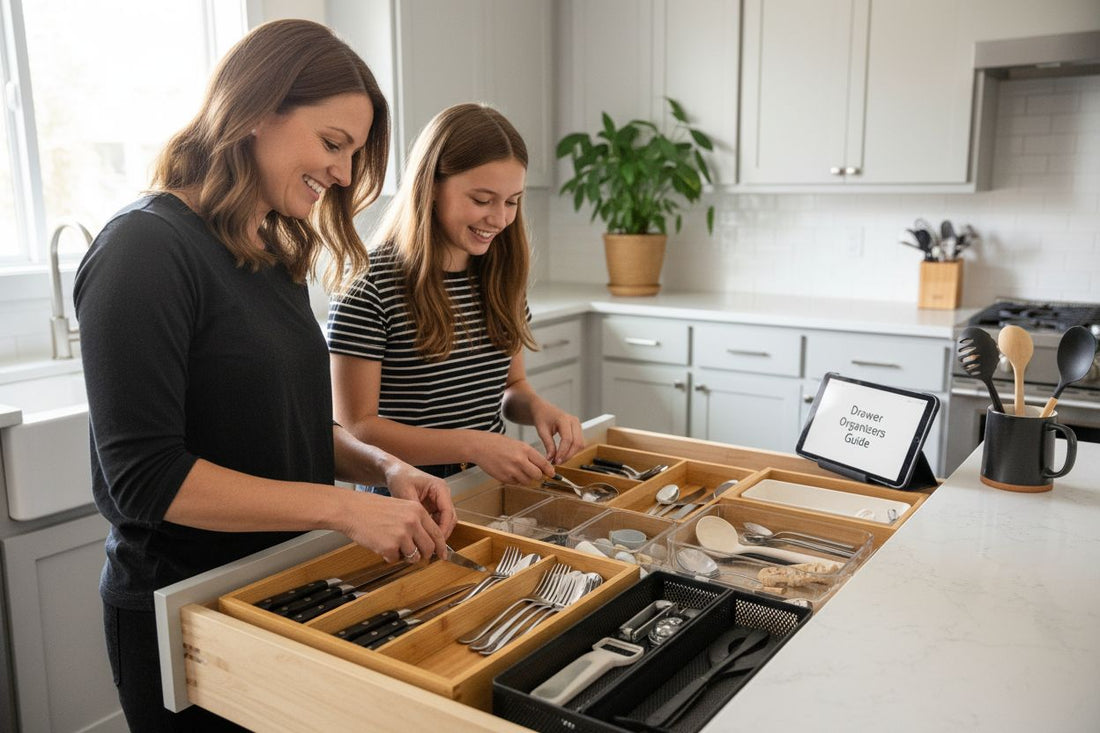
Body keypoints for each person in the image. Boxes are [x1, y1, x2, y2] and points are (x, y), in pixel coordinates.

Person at [74, 19, 455, 732]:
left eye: (354, 153)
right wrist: (344, 509)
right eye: (333, 144)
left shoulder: (270, 251)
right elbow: (147, 479)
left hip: (277, 589)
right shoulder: (144, 248)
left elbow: (292, 423)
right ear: (255, 111)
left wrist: (385, 467)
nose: (344, 174)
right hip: (182, 609)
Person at [327, 103, 584, 486]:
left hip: (484, 483)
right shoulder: (369, 284)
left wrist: (539, 409)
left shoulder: (501, 273)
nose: (499, 219)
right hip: (404, 494)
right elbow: (356, 429)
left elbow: (511, 387)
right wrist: (473, 445)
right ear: (431, 186)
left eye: (512, 201)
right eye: (482, 200)